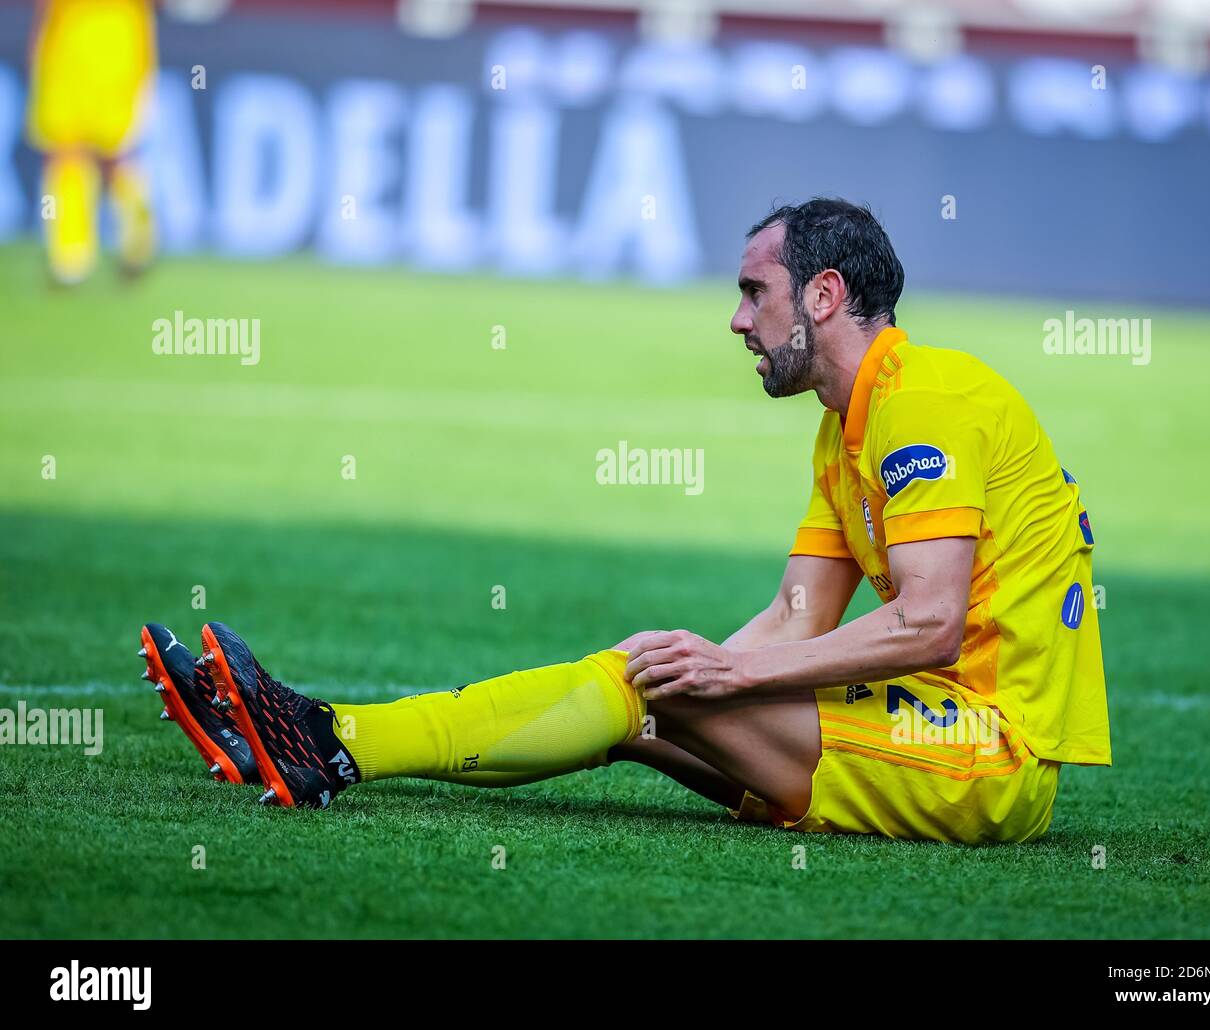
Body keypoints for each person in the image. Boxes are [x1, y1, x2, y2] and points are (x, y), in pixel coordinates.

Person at [138, 198, 1110, 844]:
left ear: (823, 295)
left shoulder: (925, 398)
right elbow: (794, 615)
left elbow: (926, 623)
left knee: (660, 682)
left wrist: (724, 677)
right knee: (643, 682)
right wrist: (695, 679)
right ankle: (316, 738)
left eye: (752, 292)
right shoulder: (844, 428)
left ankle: (326, 737)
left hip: (984, 752)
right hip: (922, 726)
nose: (737, 322)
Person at [26, 0, 157, 283]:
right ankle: (138, 242)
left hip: (76, 33)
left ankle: (71, 257)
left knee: (68, 151)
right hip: (121, 33)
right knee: (115, 152)